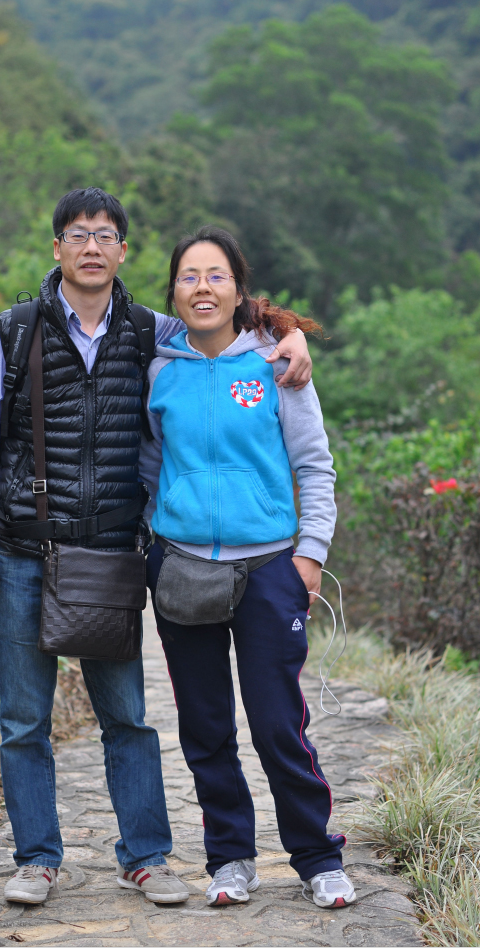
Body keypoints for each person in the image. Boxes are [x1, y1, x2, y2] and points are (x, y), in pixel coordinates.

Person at [0, 188, 314, 906]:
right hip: (21, 551)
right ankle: (36, 859)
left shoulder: (152, 335)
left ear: (123, 252)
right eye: (77, 234)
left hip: (112, 554)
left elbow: (223, 324)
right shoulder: (12, 332)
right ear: (56, 248)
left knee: (127, 717)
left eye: (106, 235)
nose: (91, 246)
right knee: (25, 719)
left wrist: (287, 330)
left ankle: (144, 857)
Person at [142, 225, 356, 910]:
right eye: (188, 276)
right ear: (172, 291)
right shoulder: (157, 367)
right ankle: (230, 858)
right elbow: (149, 466)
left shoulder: (275, 364)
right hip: (181, 569)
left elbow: (313, 465)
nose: (201, 287)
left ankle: (318, 858)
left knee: (274, 723)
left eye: (215, 276)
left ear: (239, 290)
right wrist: (153, 542)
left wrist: (309, 554)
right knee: (204, 727)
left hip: (268, 568)